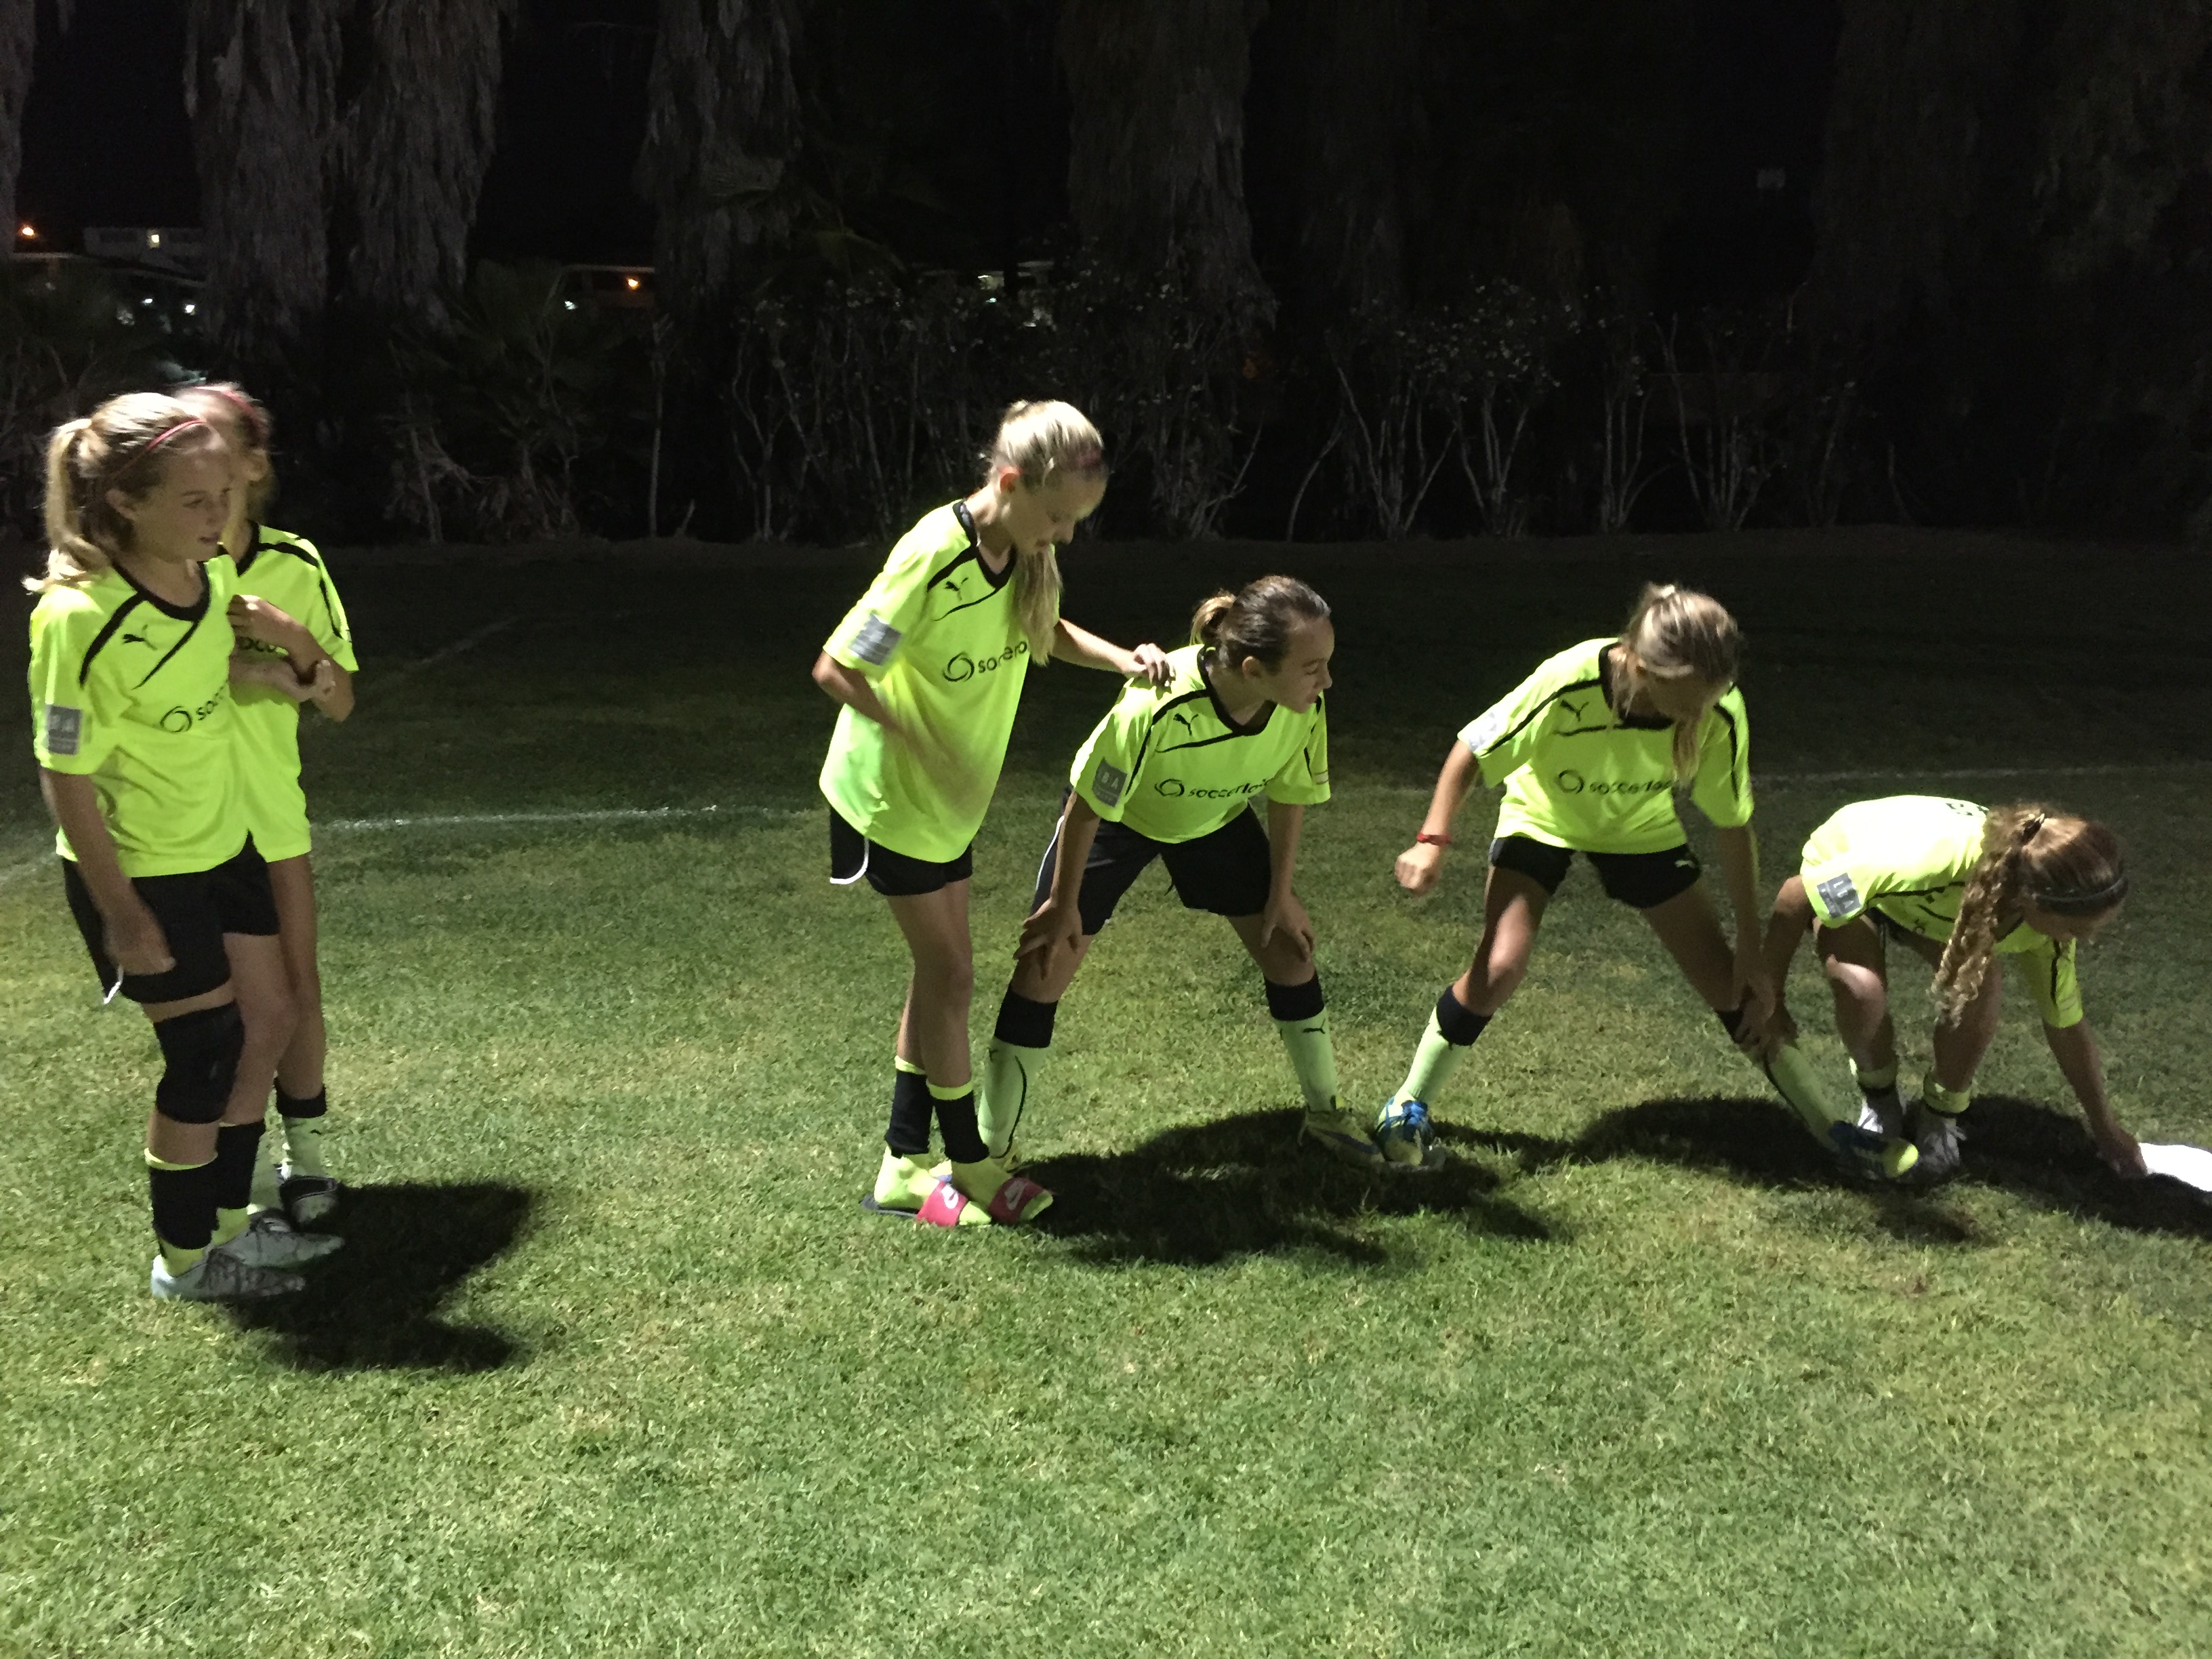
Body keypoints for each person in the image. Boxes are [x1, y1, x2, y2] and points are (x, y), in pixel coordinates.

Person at [1381, 583, 1916, 1179]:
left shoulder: (1721, 710)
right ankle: (1406, 1106)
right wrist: (1431, 841)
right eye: (1683, 706)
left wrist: (1750, 944)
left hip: (1642, 831)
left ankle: (1831, 1131)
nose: (1696, 718)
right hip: (1543, 818)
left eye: (1706, 704)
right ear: (1640, 668)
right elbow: (1472, 749)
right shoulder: (1569, 680)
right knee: (1499, 967)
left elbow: (1733, 828)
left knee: (1734, 989)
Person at [813, 401, 1174, 1227]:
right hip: (892, 799)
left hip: (948, 808)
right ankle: (968, 1163)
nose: (1066, 535)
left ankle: (902, 1165)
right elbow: (837, 668)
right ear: (1009, 483)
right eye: (1058, 517)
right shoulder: (934, 555)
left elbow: (1043, 630)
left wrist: (1123, 658)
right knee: (953, 976)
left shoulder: (1018, 553)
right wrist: (915, 737)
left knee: (939, 973)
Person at [27, 393, 339, 1301]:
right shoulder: (79, 617)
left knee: (265, 1025)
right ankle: (186, 1260)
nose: (219, 517)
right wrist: (123, 913)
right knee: (203, 1052)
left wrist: (263, 673)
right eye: (196, 501)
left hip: (224, 846)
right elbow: (65, 775)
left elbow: (197, 667)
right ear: (126, 503)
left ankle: (235, 1225)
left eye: (225, 495)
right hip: (145, 871)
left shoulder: (205, 582)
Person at [981, 574, 1372, 1170]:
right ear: (1252, 669)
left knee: (1291, 953)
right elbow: (1087, 806)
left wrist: (1280, 891)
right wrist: (1062, 905)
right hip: (1119, 818)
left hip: (1215, 818)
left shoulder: (1303, 708)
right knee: (1043, 966)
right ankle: (991, 1153)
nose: (1327, 681)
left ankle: (1326, 1115)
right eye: (1312, 668)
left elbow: (1289, 793)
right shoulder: (1157, 704)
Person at [177, 382, 357, 1225]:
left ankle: (306, 1161)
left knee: (294, 991)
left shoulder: (296, 562)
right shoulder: (163, 560)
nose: (197, 453)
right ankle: (229, 1177)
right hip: (182, 823)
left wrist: (292, 637)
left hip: (270, 815)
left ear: (252, 465)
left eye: (212, 438)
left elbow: (340, 700)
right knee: (222, 1012)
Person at [1760, 795, 2144, 1180]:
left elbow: (2065, 1026)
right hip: (1853, 855)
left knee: (1980, 985)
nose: (2085, 940)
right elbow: (1796, 894)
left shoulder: (2043, 929)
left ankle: (1939, 1117)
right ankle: (1880, 1101)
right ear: (2033, 900)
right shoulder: (1934, 863)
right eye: (2077, 928)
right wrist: (1770, 999)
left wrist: (2105, 1127)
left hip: (1923, 903)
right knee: (1861, 990)